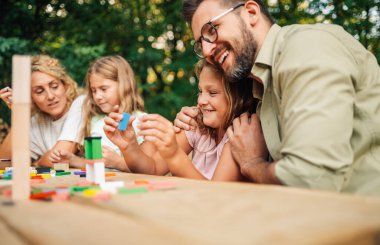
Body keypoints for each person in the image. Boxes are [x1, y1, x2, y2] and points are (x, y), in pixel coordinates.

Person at [177, 0, 380, 196]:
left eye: (211, 30)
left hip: (362, 219)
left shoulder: (305, 47)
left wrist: (252, 164)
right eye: (200, 43)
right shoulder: (260, 86)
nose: (206, 50)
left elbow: (309, 179)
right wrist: (193, 121)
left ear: (251, 13)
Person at [104, 59, 256, 181]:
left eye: (212, 92)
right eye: (200, 91)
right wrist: (129, 146)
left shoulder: (240, 137)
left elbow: (215, 195)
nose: (202, 100)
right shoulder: (197, 126)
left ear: (239, 97)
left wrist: (174, 154)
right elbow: (153, 169)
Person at [50, 55, 146, 171]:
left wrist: (118, 163)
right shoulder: (95, 121)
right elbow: (97, 164)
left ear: (123, 84)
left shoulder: (141, 121)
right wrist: (72, 160)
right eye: (94, 90)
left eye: (104, 89)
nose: (97, 96)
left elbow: (148, 170)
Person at [0, 55, 82, 166]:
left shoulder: (80, 105)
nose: (50, 96)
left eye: (54, 86)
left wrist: (38, 163)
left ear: (65, 85)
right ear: (31, 97)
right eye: (39, 91)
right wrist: (19, 115)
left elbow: (60, 158)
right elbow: (3, 164)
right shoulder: (36, 122)